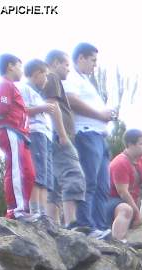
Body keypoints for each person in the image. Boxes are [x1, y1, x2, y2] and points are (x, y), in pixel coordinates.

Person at [63, 42, 116, 238]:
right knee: (89, 181)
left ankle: (100, 226)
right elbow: (71, 100)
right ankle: (86, 225)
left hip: (99, 136)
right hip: (86, 134)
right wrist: (100, 115)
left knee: (103, 186)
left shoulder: (85, 81)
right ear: (81, 58)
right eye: (92, 60)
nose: (95, 65)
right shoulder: (72, 77)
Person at [42, 49, 88, 228]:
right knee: (73, 175)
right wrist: (62, 134)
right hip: (59, 136)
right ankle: (71, 222)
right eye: (66, 64)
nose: (69, 69)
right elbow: (52, 104)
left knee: (54, 183)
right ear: (55, 63)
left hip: (50, 137)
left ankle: (52, 225)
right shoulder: (52, 77)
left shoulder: (48, 80)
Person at [0, 54, 35, 220]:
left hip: (20, 134)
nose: (21, 71)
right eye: (19, 66)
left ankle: (22, 207)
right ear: (10, 66)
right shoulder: (5, 85)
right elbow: (1, 108)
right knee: (16, 169)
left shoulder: (11, 86)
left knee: (28, 172)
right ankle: (16, 210)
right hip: (10, 130)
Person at [17, 59, 58, 216]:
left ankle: (43, 211)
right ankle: (35, 209)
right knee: (38, 173)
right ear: (36, 74)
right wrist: (42, 108)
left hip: (45, 135)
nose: (46, 80)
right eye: (45, 76)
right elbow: (22, 110)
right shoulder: (24, 89)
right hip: (35, 133)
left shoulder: (38, 94)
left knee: (46, 176)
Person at [107, 128, 142, 239]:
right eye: (141, 143)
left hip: (130, 203)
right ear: (130, 145)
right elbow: (123, 193)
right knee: (126, 209)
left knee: (130, 209)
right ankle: (117, 243)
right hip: (110, 203)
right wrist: (137, 215)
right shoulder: (120, 163)